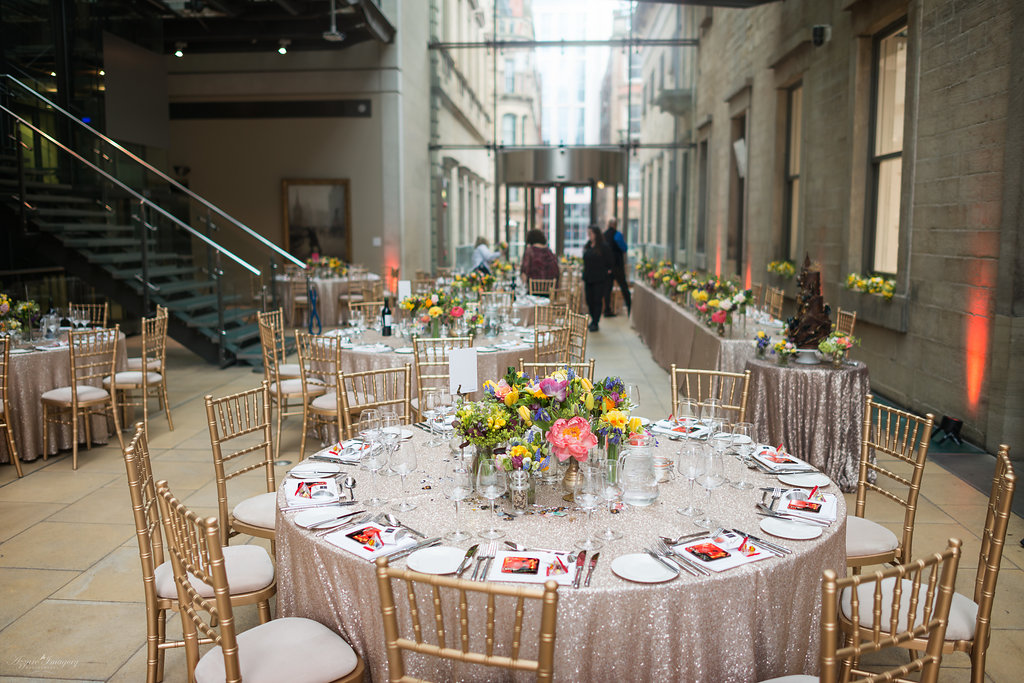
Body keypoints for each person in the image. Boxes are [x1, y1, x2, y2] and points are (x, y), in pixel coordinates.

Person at [582, 225, 613, 332]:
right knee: (589, 300)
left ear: (596, 234)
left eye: (591, 233)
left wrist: (607, 271)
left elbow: (610, 261)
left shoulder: (603, 246)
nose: (589, 235)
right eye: (588, 233)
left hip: (599, 278)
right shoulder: (588, 246)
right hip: (588, 277)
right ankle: (593, 319)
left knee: (597, 300)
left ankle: (595, 322)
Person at [603, 217, 631, 317]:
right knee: (623, 286)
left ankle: (607, 310)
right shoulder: (617, 235)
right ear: (615, 225)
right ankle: (629, 307)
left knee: (607, 288)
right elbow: (624, 248)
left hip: (607, 267)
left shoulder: (604, 235)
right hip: (617, 266)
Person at [519, 228, 560, 293]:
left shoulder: (530, 251)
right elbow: (557, 273)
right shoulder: (550, 252)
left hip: (534, 293)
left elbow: (524, 272)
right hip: (551, 293)